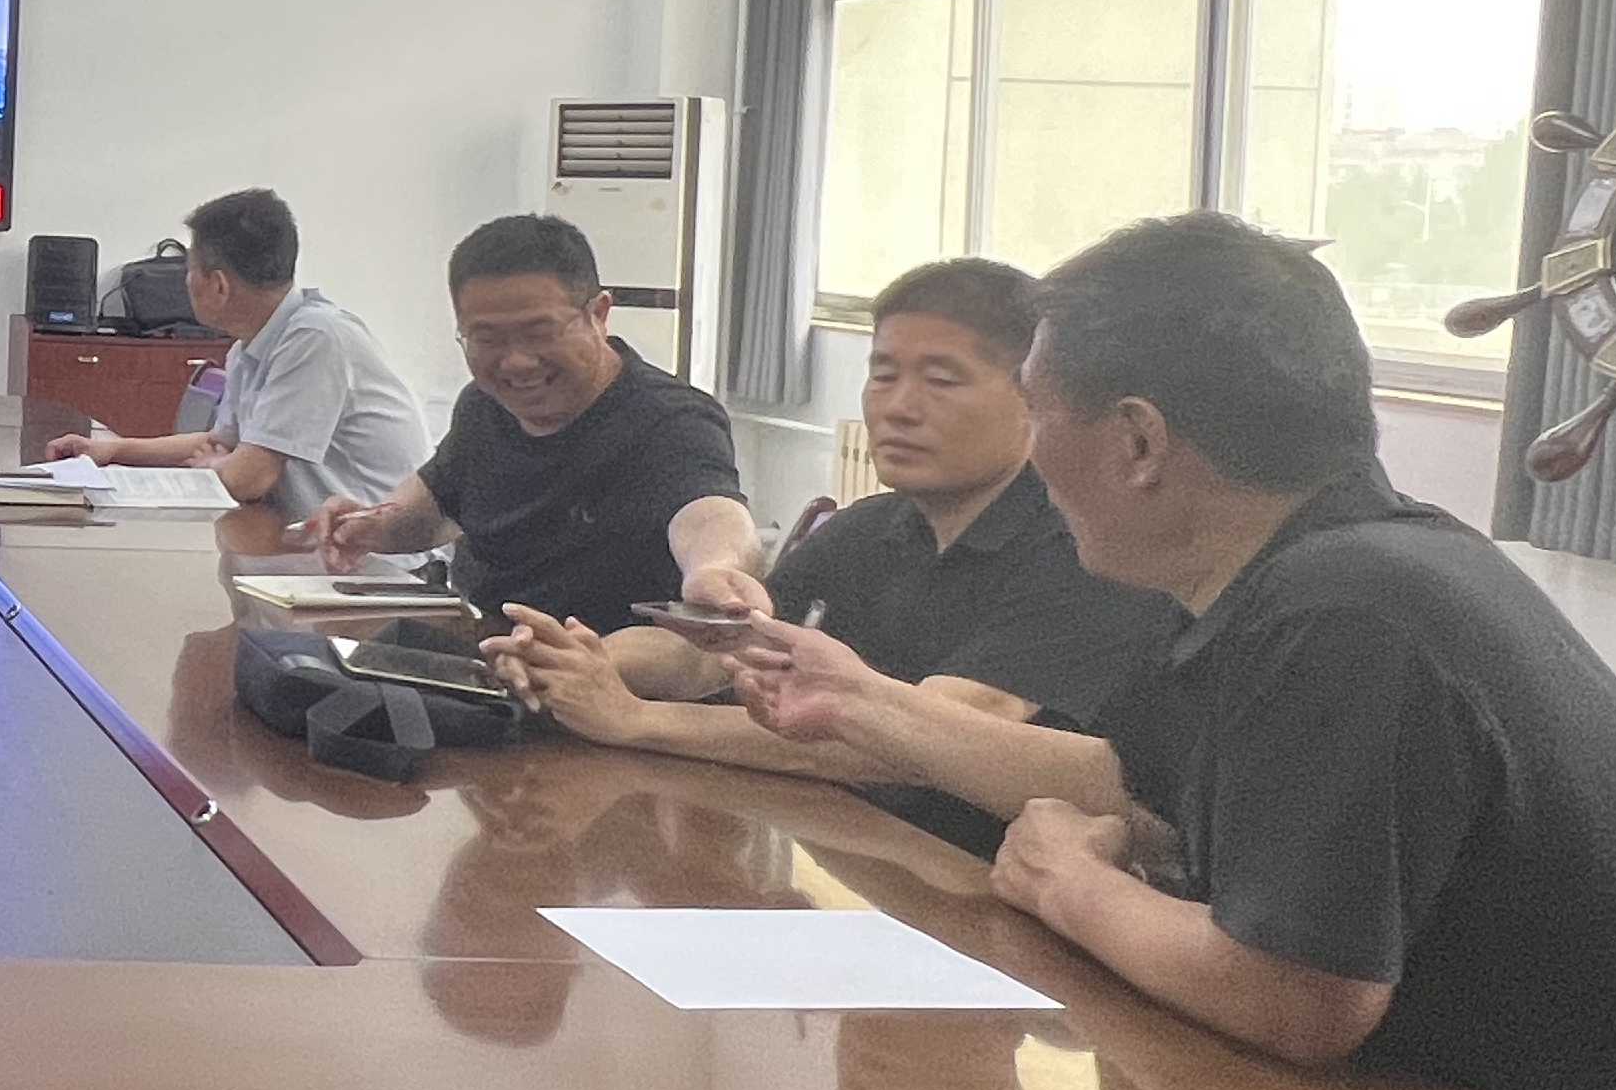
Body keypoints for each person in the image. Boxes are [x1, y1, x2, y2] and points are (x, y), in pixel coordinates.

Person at [864, 213, 1616, 1090]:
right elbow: (1143, 789)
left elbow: (1298, 998)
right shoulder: (1314, 570)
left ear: (1138, 441)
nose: (1032, 457)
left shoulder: (1347, 615)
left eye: (1037, 411)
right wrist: (863, 705)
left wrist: (1068, 882)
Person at [489, 257, 1172, 853]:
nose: (898, 408)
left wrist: (639, 721)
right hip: (846, 854)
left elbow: (921, 740)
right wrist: (573, 663)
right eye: (883, 375)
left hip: (980, 889)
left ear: (1033, 398)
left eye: (942, 380)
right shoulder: (866, 529)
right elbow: (715, 654)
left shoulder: (1081, 547)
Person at [297, 213, 765, 632]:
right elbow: (434, 508)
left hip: (604, 671)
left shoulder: (670, 419)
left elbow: (709, 510)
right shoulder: (484, 406)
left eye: (540, 333)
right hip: (480, 653)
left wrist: (715, 569)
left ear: (599, 314)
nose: (516, 362)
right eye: (487, 339)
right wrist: (367, 524)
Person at [43, 185, 425, 517]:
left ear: (219, 286)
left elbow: (249, 477)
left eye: (190, 269)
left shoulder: (316, 339)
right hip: (312, 543)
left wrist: (219, 467)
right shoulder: (252, 344)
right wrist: (112, 450)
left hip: (380, 561)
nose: (186, 282)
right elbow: (220, 443)